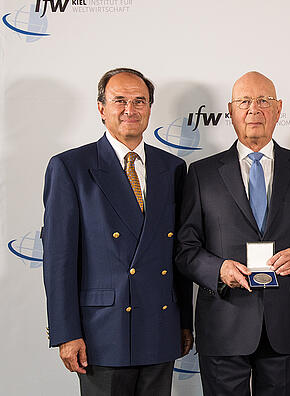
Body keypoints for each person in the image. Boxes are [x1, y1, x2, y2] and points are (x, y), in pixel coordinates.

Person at [175, 71, 290, 396]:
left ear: (278, 109)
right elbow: (185, 249)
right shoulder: (202, 174)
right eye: (244, 101)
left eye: (263, 101)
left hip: (284, 325)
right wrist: (218, 270)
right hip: (223, 323)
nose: (254, 109)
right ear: (230, 111)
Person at [42, 67, 193, 395]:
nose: (130, 109)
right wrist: (67, 333)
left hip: (159, 324)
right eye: (119, 100)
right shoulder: (70, 167)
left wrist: (184, 322)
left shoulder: (172, 168)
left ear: (151, 108)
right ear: (101, 108)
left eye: (140, 101)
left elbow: (178, 252)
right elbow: (59, 259)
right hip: (101, 332)